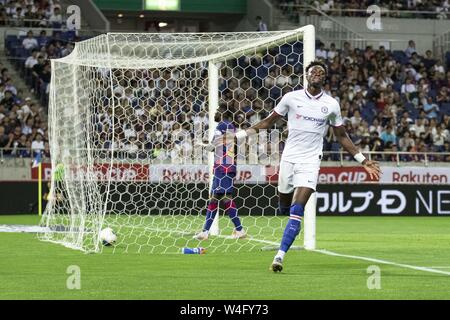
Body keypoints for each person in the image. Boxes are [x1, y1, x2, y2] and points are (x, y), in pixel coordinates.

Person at [227, 61, 381, 272]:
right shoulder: (291, 98)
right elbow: (267, 123)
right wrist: (237, 136)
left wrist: (363, 160)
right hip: (289, 159)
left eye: (321, 72)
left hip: (310, 161)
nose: (317, 74)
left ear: (325, 78)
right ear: (306, 76)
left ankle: (279, 256)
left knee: (297, 210)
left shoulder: (331, 104)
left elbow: (341, 136)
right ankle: (286, 215)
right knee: (284, 206)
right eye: (313, 71)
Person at [194, 107, 246, 241]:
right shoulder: (230, 126)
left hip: (223, 166)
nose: (215, 113)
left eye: (217, 111)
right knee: (215, 198)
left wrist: (201, 144)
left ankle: (239, 229)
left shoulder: (222, 125)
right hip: (225, 165)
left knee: (224, 198)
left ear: (223, 112)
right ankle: (205, 231)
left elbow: (212, 147)